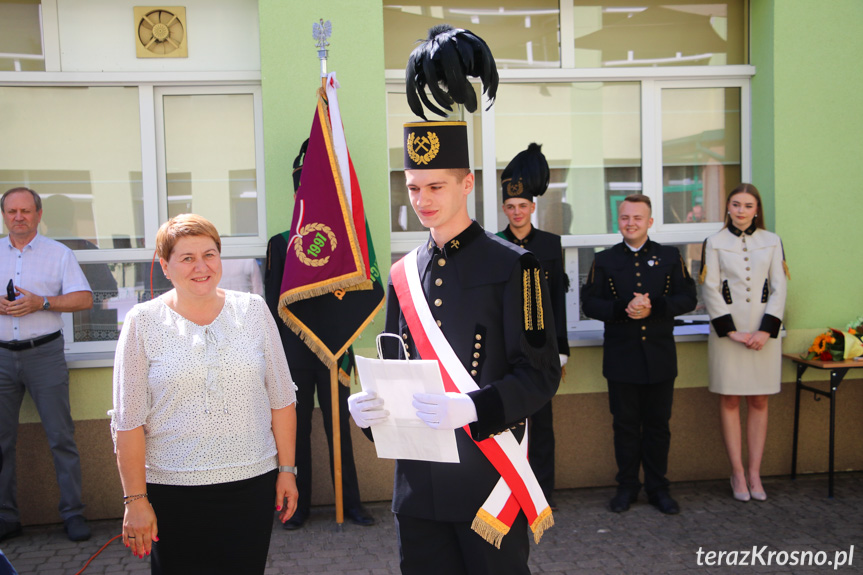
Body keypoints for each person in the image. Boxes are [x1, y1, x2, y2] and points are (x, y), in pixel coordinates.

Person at [349, 115, 561, 572]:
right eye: (412, 188)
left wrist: (473, 408)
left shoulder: (516, 268)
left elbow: (541, 374)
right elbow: (397, 364)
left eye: (435, 187)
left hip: (486, 482)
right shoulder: (403, 273)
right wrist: (370, 413)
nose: (421, 200)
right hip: (417, 489)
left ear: (467, 184)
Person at [111, 214, 298, 575]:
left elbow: (281, 399)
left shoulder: (253, 310)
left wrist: (287, 470)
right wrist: (135, 500)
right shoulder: (142, 322)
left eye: (210, 255)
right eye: (187, 258)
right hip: (173, 490)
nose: (201, 267)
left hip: (252, 484)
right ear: (165, 266)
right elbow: (128, 421)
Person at [581, 194, 697, 515]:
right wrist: (624, 308)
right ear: (618, 221)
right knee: (625, 426)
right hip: (622, 360)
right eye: (625, 218)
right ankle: (627, 486)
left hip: (660, 358)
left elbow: (688, 298)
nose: (630, 223)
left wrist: (654, 306)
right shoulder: (604, 260)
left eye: (637, 218)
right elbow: (589, 304)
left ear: (650, 221)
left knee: (658, 426)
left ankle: (659, 487)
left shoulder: (670, 256)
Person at [0, 187, 94, 543]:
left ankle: (73, 513)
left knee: (61, 437)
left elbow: (83, 298)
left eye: (25, 210)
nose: (19, 217)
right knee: (1, 442)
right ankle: (6, 517)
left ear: (38, 215)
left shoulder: (59, 253)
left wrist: (42, 303)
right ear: (5, 215)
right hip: (1, 356)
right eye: (12, 212)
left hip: (44, 354)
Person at [700, 183, 787, 502]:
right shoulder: (715, 241)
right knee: (731, 400)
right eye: (735, 204)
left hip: (764, 333)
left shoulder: (772, 241)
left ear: (757, 210)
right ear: (727, 207)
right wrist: (731, 330)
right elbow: (709, 288)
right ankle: (737, 471)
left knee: (760, 400)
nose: (741, 210)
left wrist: (766, 330)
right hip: (728, 334)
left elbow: (779, 288)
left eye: (748, 205)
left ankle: (755, 472)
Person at [496, 143, 569, 509]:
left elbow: (558, 301)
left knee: (541, 424)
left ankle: (541, 494)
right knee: (506, 422)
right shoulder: (494, 246)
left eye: (522, 206)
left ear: (532, 207)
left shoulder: (551, 245)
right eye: (510, 207)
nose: (516, 212)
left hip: (542, 351)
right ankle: (508, 492)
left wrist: (562, 351)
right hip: (506, 349)